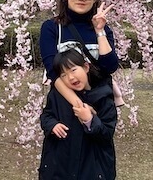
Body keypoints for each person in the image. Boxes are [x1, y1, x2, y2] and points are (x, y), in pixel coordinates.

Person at [39, 0, 124, 109]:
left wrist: (99, 32)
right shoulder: (52, 27)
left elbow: (109, 67)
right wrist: (79, 105)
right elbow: (53, 72)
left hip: (100, 102)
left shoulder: (103, 29)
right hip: (65, 103)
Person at [38, 48, 117, 180]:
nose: (71, 77)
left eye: (73, 70)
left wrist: (90, 120)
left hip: (92, 166)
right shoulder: (58, 95)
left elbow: (107, 134)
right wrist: (52, 125)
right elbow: (46, 115)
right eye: (63, 75)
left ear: (86, 67)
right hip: (60, 164)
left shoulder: (104, 98)